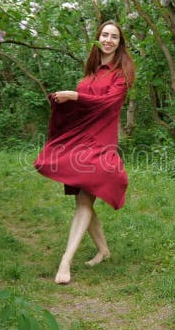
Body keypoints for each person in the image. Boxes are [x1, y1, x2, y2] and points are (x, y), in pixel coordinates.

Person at [33, 20, 135, 285]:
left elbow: (107, 105)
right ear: (98, 38)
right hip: (81, 143)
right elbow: (81, 112)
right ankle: (103, 250)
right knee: (84, 200)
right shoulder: (89, 75)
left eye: (114, 36)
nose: (109, 40)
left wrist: (74, 96)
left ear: (120, 43)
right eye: (105, 35)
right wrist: (63, 101)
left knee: (84, 201)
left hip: (101, 145)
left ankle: (65, 261)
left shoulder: (121, 74)